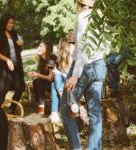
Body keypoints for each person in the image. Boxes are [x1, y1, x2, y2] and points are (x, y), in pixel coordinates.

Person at [60, 0, 107, 149]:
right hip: (99, 65)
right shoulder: (103, 16)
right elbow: (104, 47)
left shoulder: (82, 17)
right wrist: (75, 42)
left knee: (65, 108)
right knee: (95, 114)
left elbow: (83, 49)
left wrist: (75, 75)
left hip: (83, 68)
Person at [0, 13, 25, 114]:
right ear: (4, 23)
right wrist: (7, 60)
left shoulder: (16, 34)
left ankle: (12, 109)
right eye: (9, 23)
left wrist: (21, 45)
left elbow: (19, 50)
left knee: (20, 87)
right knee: (2, 91)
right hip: (4, 68)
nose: (12, 25)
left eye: (13, 23)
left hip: (16, 67)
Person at [49, 38, 74, 123]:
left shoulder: (71, 58)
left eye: (59, 45)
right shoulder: (53, 57)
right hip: (60, 81)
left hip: (70, 81)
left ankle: (54, 112)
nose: (57, 46)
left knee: (55, 80)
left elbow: (50, 76)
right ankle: (54, 112)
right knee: (54, 81)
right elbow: (50, 74)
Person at [28, 41, 57, 114]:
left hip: (56, 85)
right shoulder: (42, 60)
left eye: (41, 46)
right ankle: (41, 106)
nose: (38, 48)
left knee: (37, 82)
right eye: (38, 46)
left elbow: (50, 77)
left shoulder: (51, 59)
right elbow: (42, 75)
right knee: (36, 82)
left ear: (47, 49)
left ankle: (41, 109)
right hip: (48, 83)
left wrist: (37, 75)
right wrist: (34, 75)